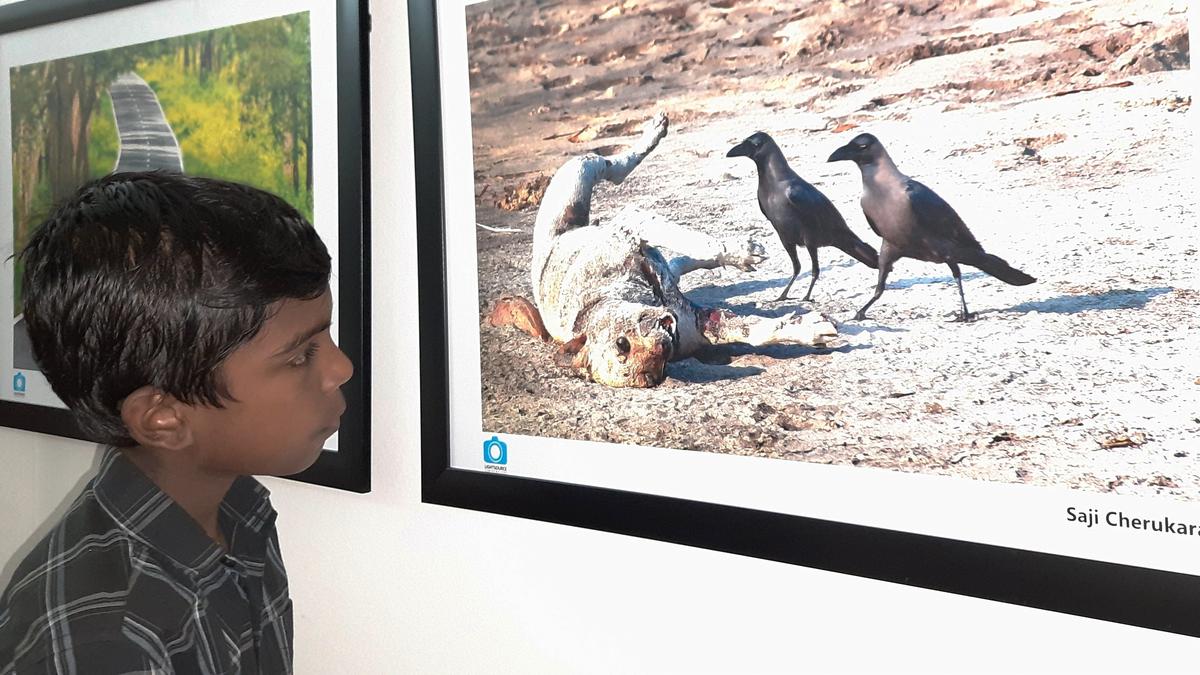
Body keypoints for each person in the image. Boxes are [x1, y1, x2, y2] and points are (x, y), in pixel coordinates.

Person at [0, 172, 353, 674]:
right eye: (300, 356)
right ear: (163, 419)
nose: (341, 369)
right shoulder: (107, 644)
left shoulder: (238, 511)